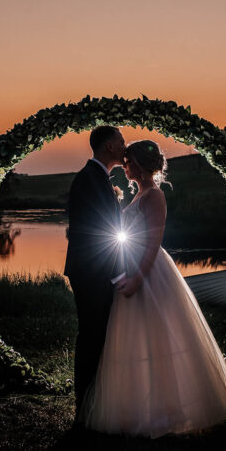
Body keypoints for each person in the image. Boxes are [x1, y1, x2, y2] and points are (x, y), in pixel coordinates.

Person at [80, 140, 226, 438]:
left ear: (140, 166)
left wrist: (137, 280)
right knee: (137, 340)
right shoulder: (140, 193)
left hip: (149, 272)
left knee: (159, 339)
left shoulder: (154, 196)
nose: (124, 165)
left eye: (128, 161)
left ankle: (166, 410)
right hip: (132, 267)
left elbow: (154, 243)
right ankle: (141, 407)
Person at [63, 125, 127, 425]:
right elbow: (98, 232)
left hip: (94, 270)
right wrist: (117, 273)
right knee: (91, 336)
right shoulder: (90, 179)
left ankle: (92, 404)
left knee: (97, 336)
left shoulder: (97, 177)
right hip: (92, 272)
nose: (125, 145)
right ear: (110, 147)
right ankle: (85, 408)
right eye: (121, 140)